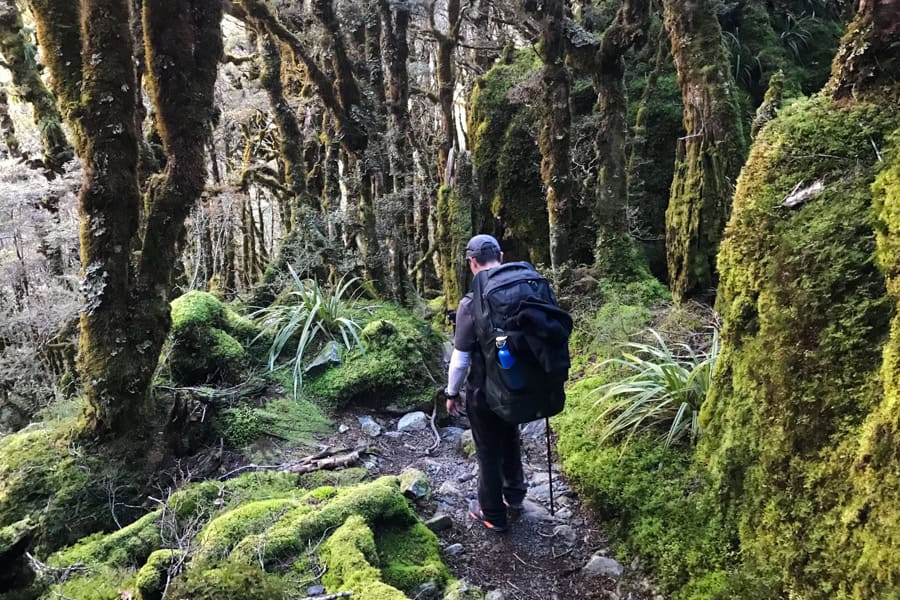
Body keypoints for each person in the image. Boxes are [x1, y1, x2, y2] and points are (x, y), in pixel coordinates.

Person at [444, 234, 526, 533]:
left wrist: (452, 393)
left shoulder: (470, 303)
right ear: (501, 256)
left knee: (488, 450)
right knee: (511, 437)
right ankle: (515, 495)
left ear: (471, 262)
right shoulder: (522, 290)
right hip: (517, 385)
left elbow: (460, 359)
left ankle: (492, 513)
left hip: (485, 391)